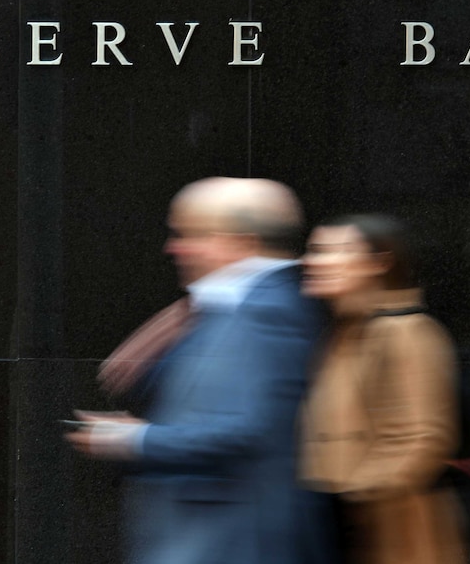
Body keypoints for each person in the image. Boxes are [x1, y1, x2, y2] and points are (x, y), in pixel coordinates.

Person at [67, 177, 331, 564]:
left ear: (239, 241)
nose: (174, 248)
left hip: (235, 541)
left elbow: (249, 429)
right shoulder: (230, 305)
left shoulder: (269, 310)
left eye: (190, 235)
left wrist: (133, 440)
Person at [298, 213, 467, 564]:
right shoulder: (343, 330)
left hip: (390, 534)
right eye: (315, 250)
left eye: (336, 250)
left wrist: (349, 496)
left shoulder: (405, 330)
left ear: (380, 262)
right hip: (344, 530)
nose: (314, 261)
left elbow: (423, 438)